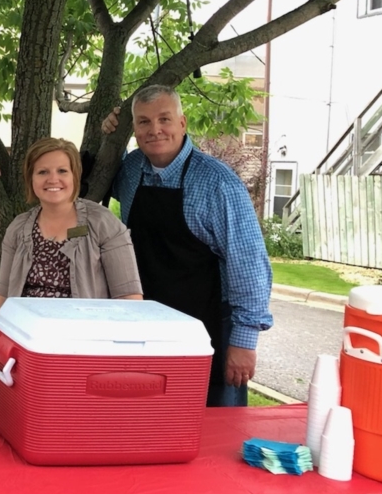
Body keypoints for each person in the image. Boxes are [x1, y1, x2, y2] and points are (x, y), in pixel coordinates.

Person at [102, 84, 273, 406]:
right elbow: (95, 178)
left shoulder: (218, 182)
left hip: (208, 329)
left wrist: (244, 342)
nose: (155, 130)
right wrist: (108, 135)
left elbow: (248, 264)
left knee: (214, 432)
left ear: (182, 123)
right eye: (143, 122)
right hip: (148, 328)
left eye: (164, 119)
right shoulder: (131, 169)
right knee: (151, 420)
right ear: (135, 129)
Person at [0, 138, 143, 393]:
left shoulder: (104, 224)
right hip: (25, 349)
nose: (52, 179)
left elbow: (130, 299)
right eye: (42, 171)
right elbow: (0, 299)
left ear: (75, 176)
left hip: (85, 350)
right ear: (31, 179)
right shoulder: (18, 228)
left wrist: (116, 363)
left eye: (61, 171)